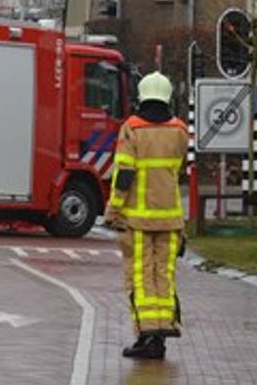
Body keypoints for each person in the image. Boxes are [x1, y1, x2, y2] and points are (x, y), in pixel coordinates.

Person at [105, 71, 186, 360]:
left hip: (137, 220)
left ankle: (146, 335)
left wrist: (113, 209)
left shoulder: (132, 129)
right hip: (170, 218)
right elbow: (177, 173)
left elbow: (124, 174)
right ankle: (163, 332)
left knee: (140, 277)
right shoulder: (179, 130)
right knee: (164, 275)